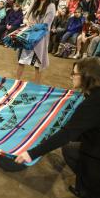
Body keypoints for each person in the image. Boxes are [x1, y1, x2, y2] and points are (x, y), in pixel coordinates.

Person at [15, 57, 100, 198]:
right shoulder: (93, 96)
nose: (71, 76)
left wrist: (31, 153)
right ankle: (85, 185)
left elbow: (66, 135)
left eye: (74, 74)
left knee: (84, 155)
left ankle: (90, 190)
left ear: (87, 77)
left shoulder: (92, 104)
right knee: (71, 150)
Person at [16, 0, 56, 84]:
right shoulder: (35, 1)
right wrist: (25, 21)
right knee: (21, 61)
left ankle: (36, 87)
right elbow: (26, 16)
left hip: (40, 39)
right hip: (29, 35)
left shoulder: (51, 6)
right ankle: (16, 83)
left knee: (38, 65)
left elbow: (46, 26)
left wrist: (32, 25)